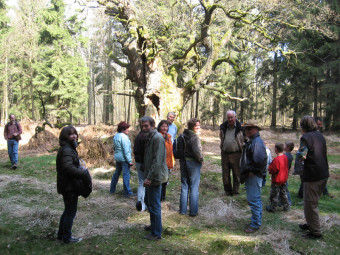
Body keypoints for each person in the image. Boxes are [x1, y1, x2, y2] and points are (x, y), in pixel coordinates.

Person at [297, 115, 329, 239]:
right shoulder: (319, 135)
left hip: (313, 175)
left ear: (303, 126)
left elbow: (302, 155)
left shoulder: (305, 137)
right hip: (323, 173)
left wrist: (298, 154)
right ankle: (310, 223)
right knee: (312, 202)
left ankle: (315, 232)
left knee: (310, 204)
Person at [56, 126, 88, 244]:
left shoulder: (69, 148)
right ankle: (67, 238)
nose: (74, 136)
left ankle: (61, 235)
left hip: (67, 185)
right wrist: (82, 173)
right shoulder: (67, 150)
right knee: (70, 212)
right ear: (65, 136)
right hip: (69, 186)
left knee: (67, 210)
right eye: (70, 134)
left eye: (75, 133)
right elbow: (67, 167)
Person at [142, 116, 168, 241]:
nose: (144, 128)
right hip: (151, 176)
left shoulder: (157, 138)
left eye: (146, 125)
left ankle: (156, 233)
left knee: (154, 205)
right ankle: (154, 226)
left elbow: (157, 161)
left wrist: (149, 178)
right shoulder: (150, 137)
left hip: (155, 177)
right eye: (142, 126)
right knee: (149, 202)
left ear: (153, 125)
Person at [240, 120, 267, 233]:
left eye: (250, 128)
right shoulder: (253, 141)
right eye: (246, 128)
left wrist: (252, 171)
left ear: (256, 129)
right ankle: (256, 221)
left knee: (253, 200)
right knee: (255, 199)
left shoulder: (256, 142)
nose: (247, 130)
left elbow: (259, 161)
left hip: (254, 176)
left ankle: (255, 224)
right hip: (253, 175)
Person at [179, 118, 203, 217]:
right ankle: (193, 212)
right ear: (191, 126)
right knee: (194, 187)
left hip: (183, 162)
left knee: (184, 186)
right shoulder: (194, 137)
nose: (198, 127)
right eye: (196, 126)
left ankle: (183, 210)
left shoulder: (183, 135)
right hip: (193, 163)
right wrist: (201, 160)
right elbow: (197, 152)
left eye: (198, 125)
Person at [219, 110, 244, 196]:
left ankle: (235, 191)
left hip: (236, 154)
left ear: (235, 117)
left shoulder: (240, 128)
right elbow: (221, 138)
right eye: (228, 118)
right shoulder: (223, 127)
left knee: (236, 173)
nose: (230, 119)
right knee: (225, 174)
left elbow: (245, 139)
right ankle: (227, 191)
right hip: (225, 153)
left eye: (231, 117)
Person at [110, 121, 134, 196]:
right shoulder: (124, 137)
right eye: (127, 129)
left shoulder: (116, 136)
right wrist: (129, 161)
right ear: (123, 129)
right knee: (126, 175)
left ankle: (112, 190)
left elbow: (114, 147)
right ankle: (127, 192)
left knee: (116, 173)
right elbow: (126, 150)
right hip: (124, 159)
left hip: (117, 158)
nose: (128, 130)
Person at [266, 143, 290, 212]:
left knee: (274, 195)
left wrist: (269, 168)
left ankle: (273, 208)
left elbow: (273, 169)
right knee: (283, 193)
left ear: (276, 149)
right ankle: (286, 207)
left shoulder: (277, 159)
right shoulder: (285, 157)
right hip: (284, 179)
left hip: (277, 180)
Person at [315, 117, 333, 198]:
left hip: (319, 158)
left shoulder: (319, 134)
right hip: (314, 158)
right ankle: (302, 193)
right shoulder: (311, 133)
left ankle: (325, 192)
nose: (320, 126)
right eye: (318, 124)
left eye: (321, 125)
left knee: (322, 176)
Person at [157, 120, 175, 202]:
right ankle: (158, 199)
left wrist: (172, 161)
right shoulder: (157, 136)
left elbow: (170, 151)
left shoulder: (168, 137)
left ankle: (163, 199)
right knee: (160, 182)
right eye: (163, 126)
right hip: (160, 163)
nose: (164, 128)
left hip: (168, 163)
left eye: (166, 126)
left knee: (165, 182)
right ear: (159, 127)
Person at [134, 126, 149, 211]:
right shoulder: (144, 137)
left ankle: (140, 202)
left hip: (139, 162)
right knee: (144, 183)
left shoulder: (139, 136)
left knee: (141, 183)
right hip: (142, 163)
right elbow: (145, 152)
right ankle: (142, 205)